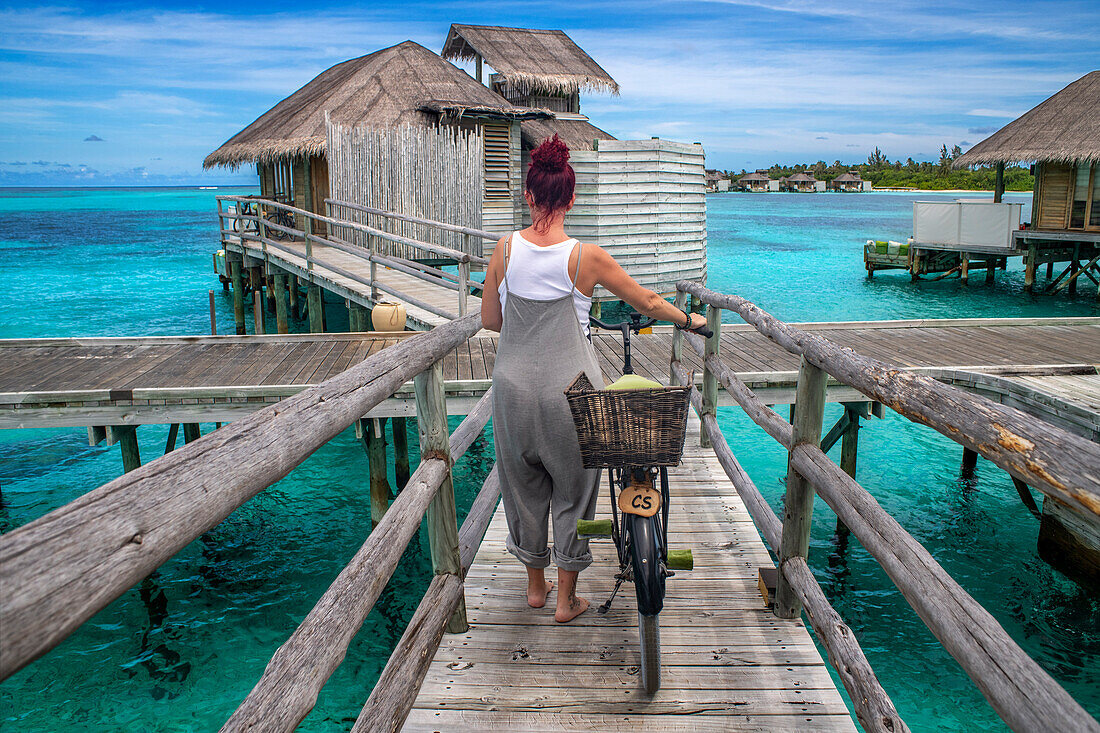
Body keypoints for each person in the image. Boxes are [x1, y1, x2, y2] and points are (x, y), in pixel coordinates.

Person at [481, 134, 707, 623]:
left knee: (523, 489)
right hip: (571, 393)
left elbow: (490, 321)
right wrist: (689, 321)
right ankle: (566, 601)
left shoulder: (503, 249)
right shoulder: (587, 257)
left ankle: (535, 589)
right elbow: (646, 302)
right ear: (572, 199)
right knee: (573, 490)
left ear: (528, 195)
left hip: (512, 390)